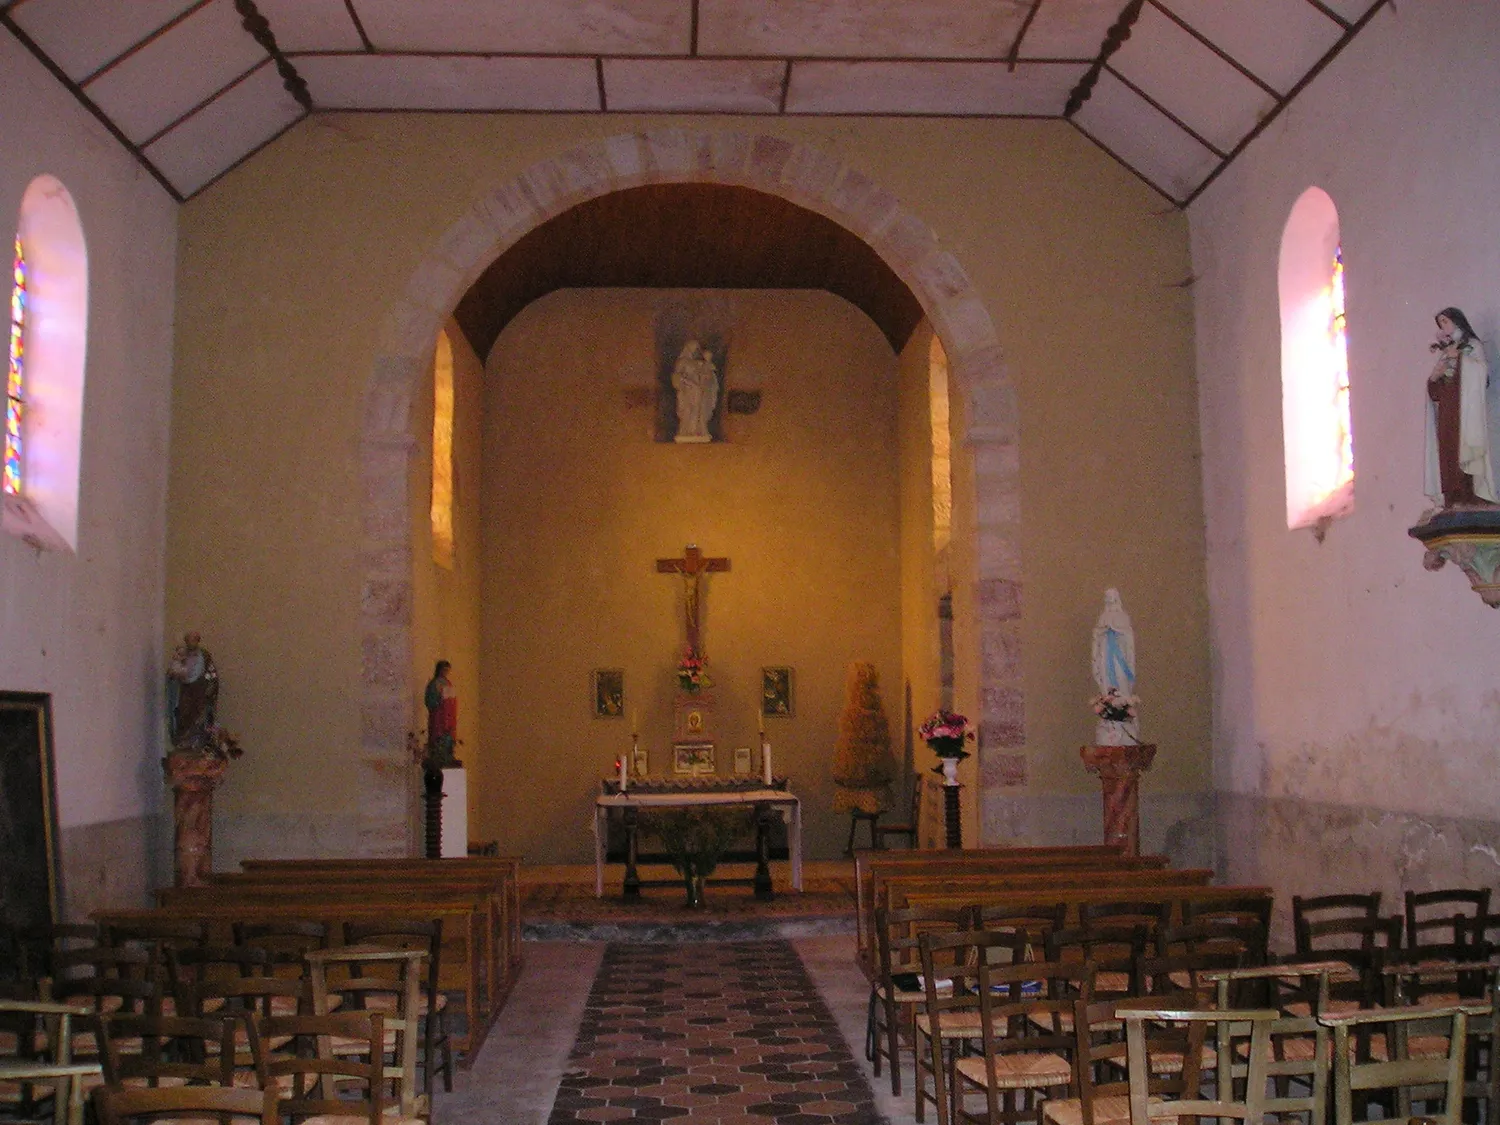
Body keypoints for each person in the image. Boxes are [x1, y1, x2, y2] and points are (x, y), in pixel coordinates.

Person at [1425, 307, 1497, 508]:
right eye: (1441, 324)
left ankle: (1469, 495)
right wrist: (1434, 377)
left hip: (1465, 412)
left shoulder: (1472, 346)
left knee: (1464, 450)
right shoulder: (1448, 351)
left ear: (1457, 321)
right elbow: (1435, 392)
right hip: (1448, 412)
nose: (1443, 327)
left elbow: (1482, 375)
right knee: (1448, 451)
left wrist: (1460, 358)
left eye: (1445, 322)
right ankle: (1453, 496)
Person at [167, 632, 218, 748]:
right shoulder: (181, 654)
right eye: (189, 640)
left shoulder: (205, 656)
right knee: (183, 712)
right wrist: (174, 676)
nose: (191, 643)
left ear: (198, 641)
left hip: (201, 689)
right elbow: (173, 672)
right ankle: (183, 740)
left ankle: (198, 741)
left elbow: (211, 672)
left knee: (200, 713)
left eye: (194, 640)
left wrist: (211, 685)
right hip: (185, 689)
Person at [671, 340, 719, 441]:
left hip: (698, 390)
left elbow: (705, 374)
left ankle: (697, 430)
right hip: (687, 390)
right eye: (692, 348)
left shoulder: (696, 363)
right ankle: (686, 431)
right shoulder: (682, 361)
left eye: (696, 348)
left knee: (698, 409)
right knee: (688, 409)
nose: (694, 350)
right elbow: (676, 376)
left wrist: (707, 362)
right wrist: (687, 382)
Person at [1091, 589, 1135, 696]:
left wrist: (1116, 630)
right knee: (1106, 677)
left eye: (1112, 598)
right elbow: (1097, 636)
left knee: (1120, 675)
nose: (1110, 601)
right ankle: (1108, 698)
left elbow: (1128, 636)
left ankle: (1123, 698)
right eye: (1108, 598)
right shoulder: (1103, 618)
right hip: (1105, 655)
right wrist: (1102, 632)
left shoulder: (1123, 617)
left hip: (1119, 656)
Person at [424, 660, 458, 764]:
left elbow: (452, 699)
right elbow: (430, 700)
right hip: (438, 715)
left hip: (447, 716)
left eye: (447, 670)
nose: (446, 672)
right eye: (444, 670)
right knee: (438, 736)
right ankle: (438, 756)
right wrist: (440, 699)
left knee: (448, 736)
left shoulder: (448, 683)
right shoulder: (434, 684)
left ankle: (447, 755)